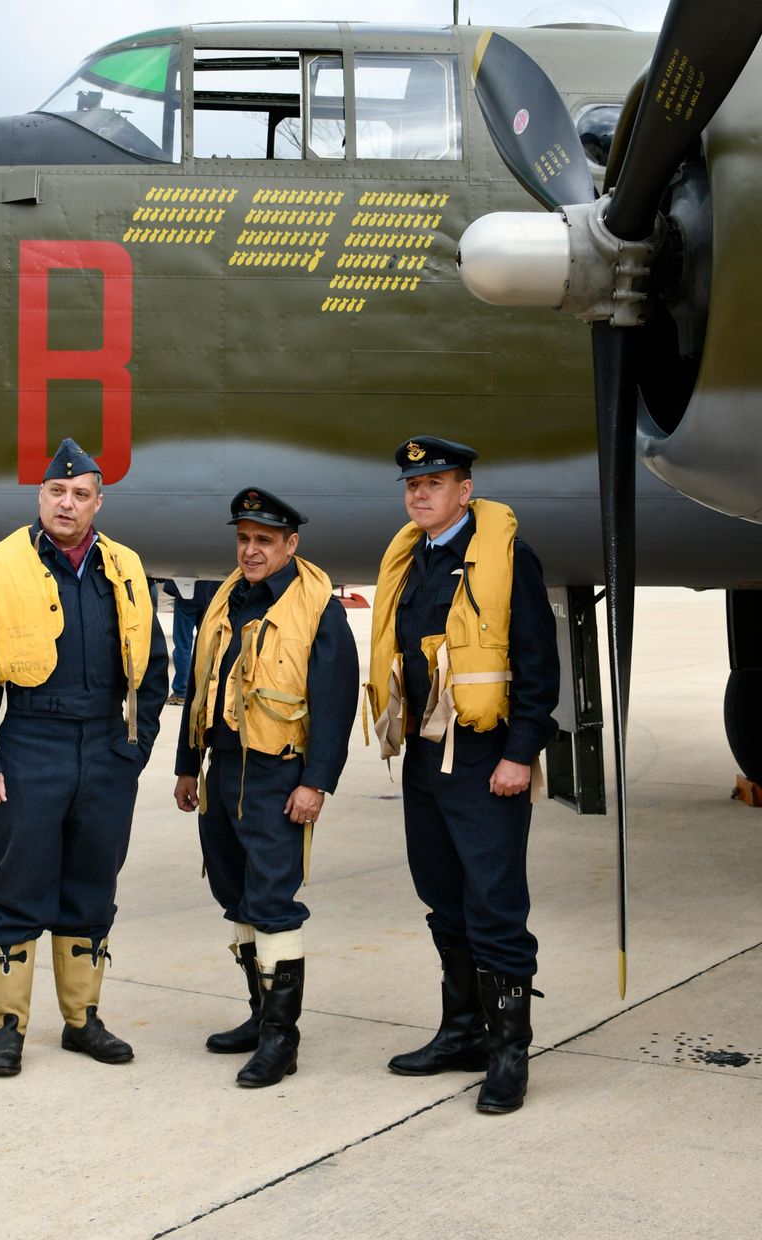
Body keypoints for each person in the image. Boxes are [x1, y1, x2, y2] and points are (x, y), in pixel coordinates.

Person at [0, 437, 168, 1078]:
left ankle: (83, 1021)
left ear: (98, 502)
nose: (66, 503)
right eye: (56, 491)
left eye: (79, 494)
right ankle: (8, 1028)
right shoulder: (1, 564)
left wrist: (136, 747)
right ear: (40, 497)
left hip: (106, 749)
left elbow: (153, 666)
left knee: (93, 885)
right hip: (31, 745)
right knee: (18, 885)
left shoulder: (125, 566)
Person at [366, 436, 559, 1114]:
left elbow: (537, 669)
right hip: (425, 754)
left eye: (436, 483)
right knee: (443, 899)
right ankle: (461, 1032)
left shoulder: (507, 560)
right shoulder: (414, 561)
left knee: (496, 906)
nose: (420, 494)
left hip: (485, 758)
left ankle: (509, 1053)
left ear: (466, 491)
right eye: (412, 485)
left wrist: (520, 753)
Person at [174, 488, 358, 1088]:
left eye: (264, 541)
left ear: (290, 544)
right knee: (236, 895)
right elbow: (200, 683)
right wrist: (186, 765)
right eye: (244, 539)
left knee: (274, 903)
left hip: (279, 774)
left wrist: (317, 785)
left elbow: (335, 704)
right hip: (222, 770)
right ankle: (259, 1017)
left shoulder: (317, 608)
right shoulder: (228, 597)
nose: (251, 551)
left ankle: (282, 1039)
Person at [160, 578, 219, 704]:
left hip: (185, 591)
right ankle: (204, 690)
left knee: (182, 646)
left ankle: (181, 691)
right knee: (207, 645)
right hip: (211, 593)